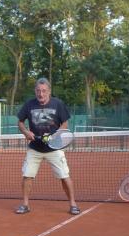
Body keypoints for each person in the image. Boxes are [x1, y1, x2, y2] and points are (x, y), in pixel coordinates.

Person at [15, 78, 80, 215]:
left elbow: (65, 123)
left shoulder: (58, 104)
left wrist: (54, 136)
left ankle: (73, 204)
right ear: (35, 91)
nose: (41, 94)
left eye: (44, 91)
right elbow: (20, 122)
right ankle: (25, 205)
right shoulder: (29, 104)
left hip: (54, 148)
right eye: (38, 91)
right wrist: (26, 132)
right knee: (27, 176)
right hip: (35, 148)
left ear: (49, 91)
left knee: (64, 176)